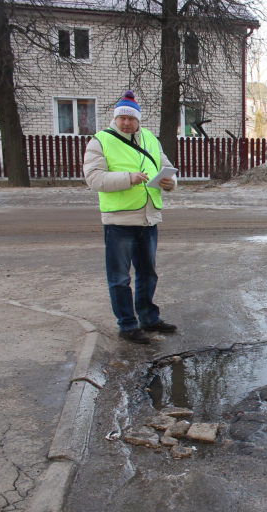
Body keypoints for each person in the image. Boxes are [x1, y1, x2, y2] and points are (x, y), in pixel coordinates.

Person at [83, 90, 178, 344]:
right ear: (116, 118)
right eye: (122, 118)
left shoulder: (149, 138)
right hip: (120, 221)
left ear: (138, 119)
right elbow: (93, 179)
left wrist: (170, 182)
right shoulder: (100, 141)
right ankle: (127, 325)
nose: (126, 122)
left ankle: (149, 318)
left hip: (148, 218)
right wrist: (128, 178)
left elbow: (165, 165)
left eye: (131, 118)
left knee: (148, 274)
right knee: (120, 278)